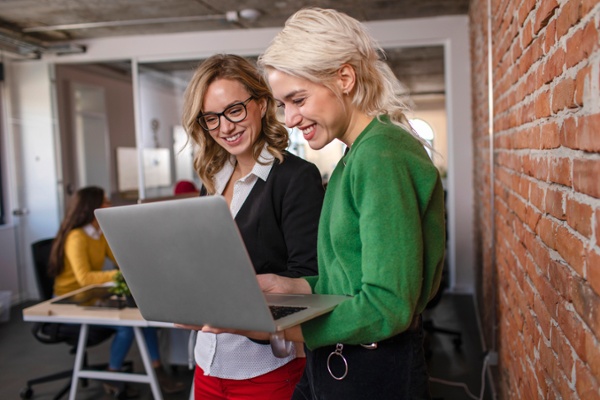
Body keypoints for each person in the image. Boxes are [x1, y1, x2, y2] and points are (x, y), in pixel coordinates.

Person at [250, 8, 446, 399]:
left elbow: (387, 306)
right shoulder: (355, 155)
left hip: (372, 370)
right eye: (282, 104)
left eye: (298, 99)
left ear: (344, 78)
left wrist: (283, 328)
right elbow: (351, 278)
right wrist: (295, 287)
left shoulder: (380, 155)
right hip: (340, 359)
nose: (289, 118)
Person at [180, 53, 324, 399]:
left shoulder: (295, 178)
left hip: (265, 368)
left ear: (261, 104)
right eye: (211, 118)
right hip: (208, 363)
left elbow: (308, 278)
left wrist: (245, 317)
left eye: (234, 110)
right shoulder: (212, 179)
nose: (225, 127)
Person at [48, 186, 185, 398]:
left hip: (93, 296)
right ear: (91, 207)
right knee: (127, 327)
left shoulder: (97, 233)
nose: (110, 206)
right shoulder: (77, 237)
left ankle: (157, 370)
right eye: (105, 202)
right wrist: (121, 274)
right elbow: (84, 278)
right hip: (72, 301)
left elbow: (119, 259)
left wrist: (138, 262)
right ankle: (113, 373)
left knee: (145, 316)